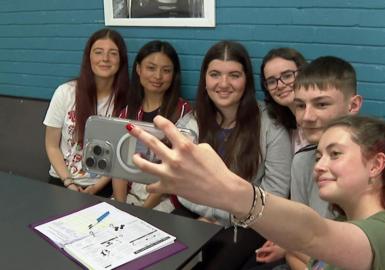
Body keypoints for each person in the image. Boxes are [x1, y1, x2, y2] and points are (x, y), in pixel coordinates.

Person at [125, 114, 385, 270]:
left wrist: (228, 191)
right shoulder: (353, 229)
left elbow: (314, 234)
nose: (319, 165)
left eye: (335, 154)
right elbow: (313, 247)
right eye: (318, 156)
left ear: (376, 164)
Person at [173, 40, 293, 269]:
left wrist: (224, 217)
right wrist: (211, 215)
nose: (224, 83)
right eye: (215, 74)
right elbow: (181, 185)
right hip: (196, 213)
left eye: (234, 75)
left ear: (246, 80)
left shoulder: (271, 125)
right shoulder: (190, 124)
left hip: (250, 223)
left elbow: (275, 194)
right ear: (205, 80)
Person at [248, 56, 364, 270]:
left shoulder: (369, 165)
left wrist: (296, 250)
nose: (307, 117)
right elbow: (297, 239)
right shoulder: (302, 161)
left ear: (353, 105)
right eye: (300, 105)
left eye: (321, 104)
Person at [44, 28, 128, 197]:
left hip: (103, 186)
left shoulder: (127, 100)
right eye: (98, 52)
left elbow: (122, 155)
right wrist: (68, 183)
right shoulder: (65, 92)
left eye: (113, 53)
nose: (105, 59)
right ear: (89, 57)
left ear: (121, 60)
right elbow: (52, 145)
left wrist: (96, 187)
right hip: (62, 181)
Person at [112, 40, 191, 212]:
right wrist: (121, 205)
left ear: (174, 75)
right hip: (129, 195)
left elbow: (176, 170)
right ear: (139, 69)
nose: (158, 76)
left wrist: (143, 210)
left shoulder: (184, 113)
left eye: (166, 70)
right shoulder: (126, 113)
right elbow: (119, 168)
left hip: (165, 198)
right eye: (151, 68)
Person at [260, 47, 308, 153]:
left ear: (303, 73)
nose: (280, 85)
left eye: (287, 76)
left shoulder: (319, 123)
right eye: (271, 81)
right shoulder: (288, 129)